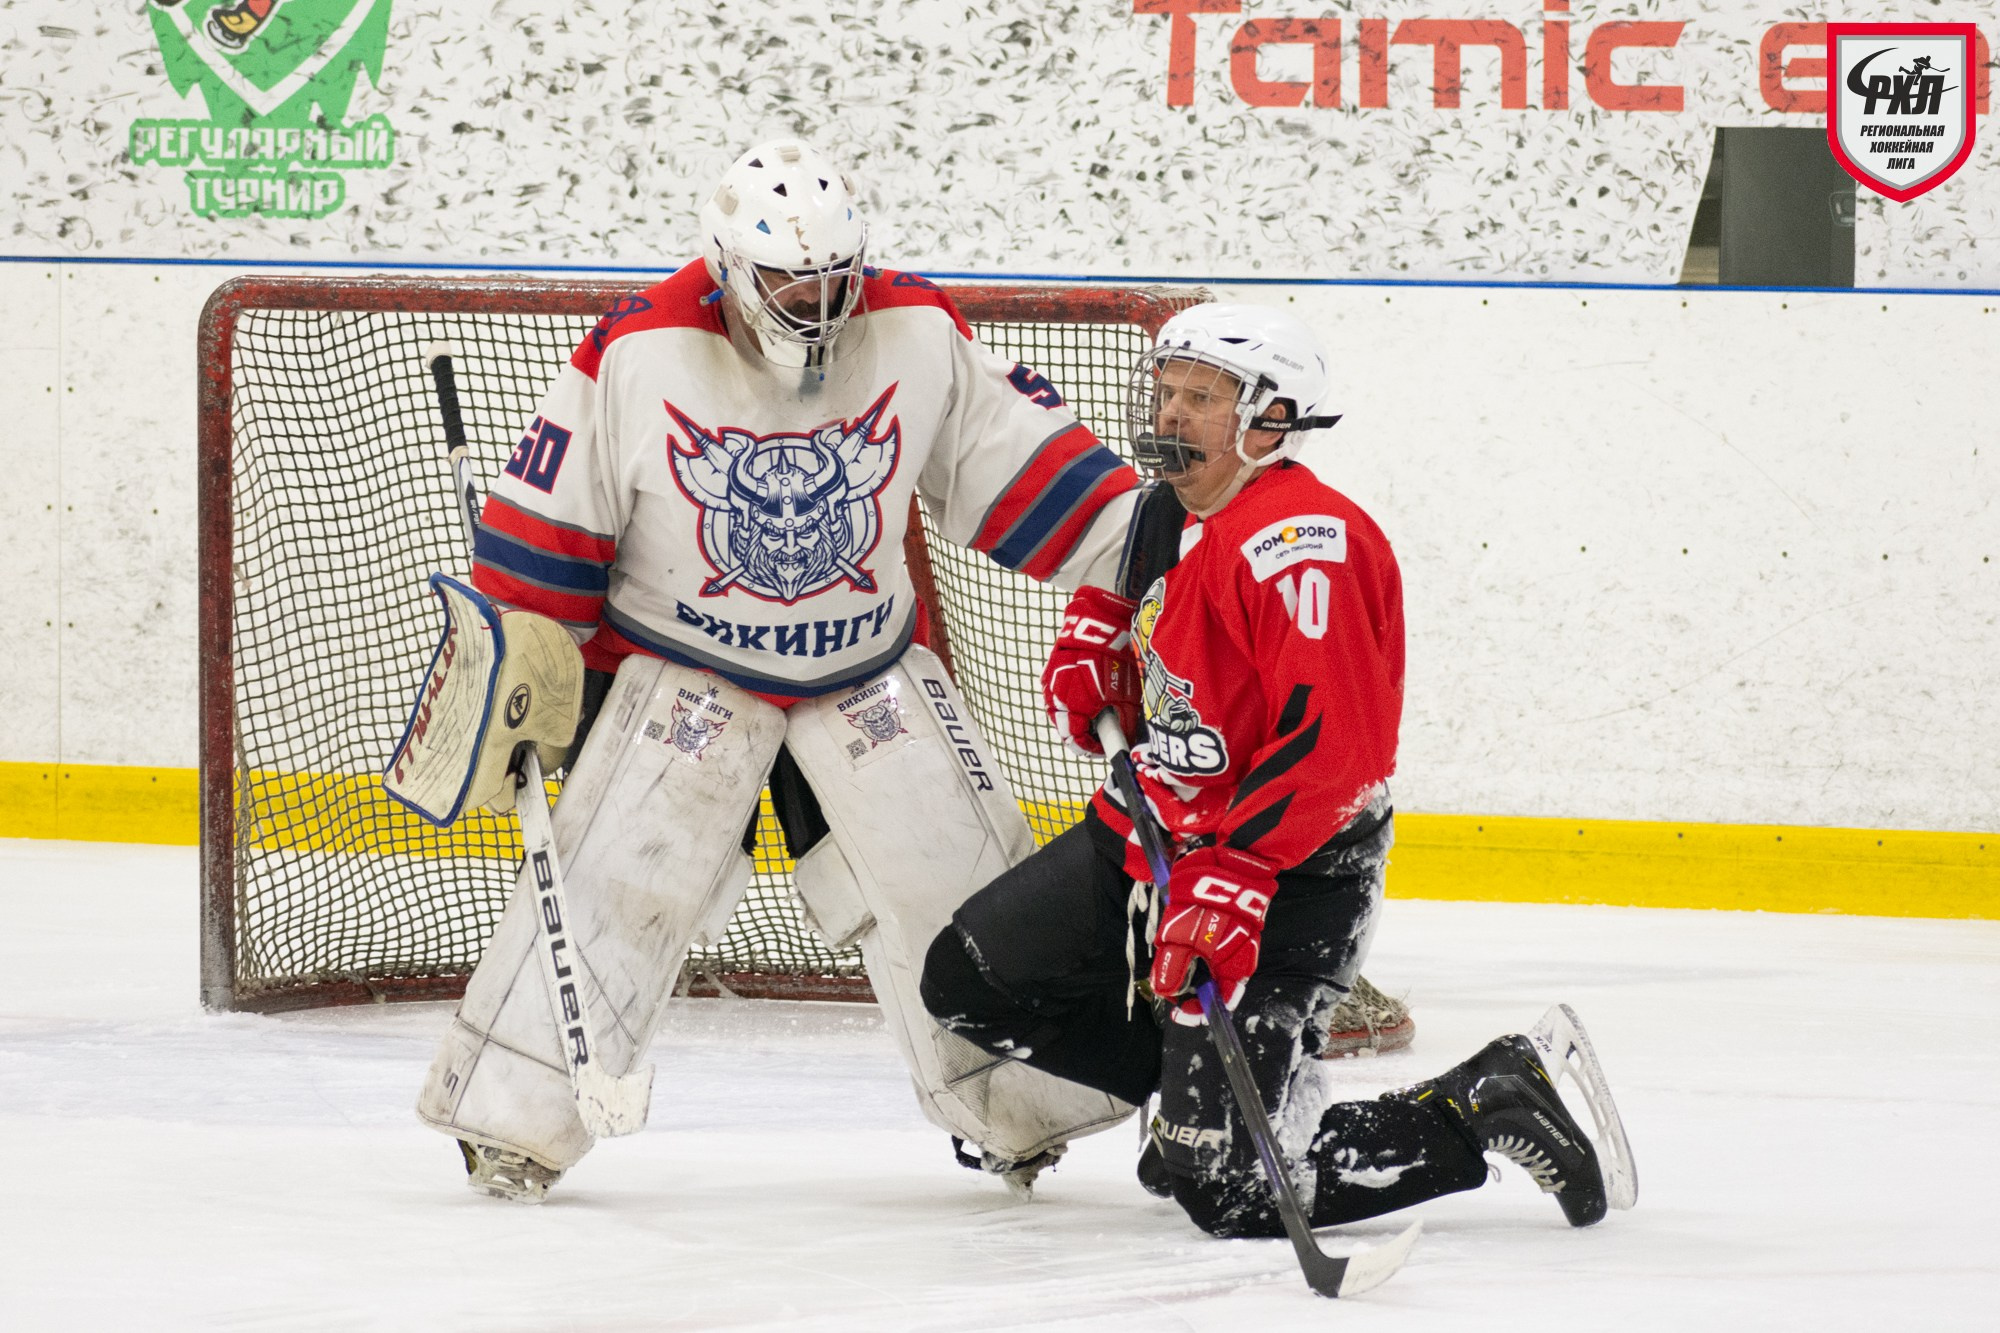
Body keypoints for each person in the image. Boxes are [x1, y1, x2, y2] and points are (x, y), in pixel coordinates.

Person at [393, 139, 1148, 1201]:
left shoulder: (914, 326)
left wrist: (1156, 561)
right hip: (681, 669)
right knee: (618, 889)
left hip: (865, 668)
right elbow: (547, 532)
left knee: (953, 882)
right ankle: (509, 1122)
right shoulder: (639, 347)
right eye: (790, 279)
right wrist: (525, 651)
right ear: (727, 267)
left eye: (833, 275)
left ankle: (1020, 1114)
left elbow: (1022, 463)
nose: (815, 300)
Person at [920, 304, 1637, 1237]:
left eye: (1202, 398)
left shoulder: (1302, 547)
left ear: (1270, 421)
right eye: (1167, 391)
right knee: (969, 981)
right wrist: (1103, 634)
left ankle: (1480, 1101)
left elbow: (1334, 748)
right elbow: (1148, 602)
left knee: (1225, 1193)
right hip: (1153, 830)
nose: (1170, 413)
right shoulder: (1171, 506)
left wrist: (1240, 869)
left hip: (1285, 873)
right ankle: (1200, 1099)